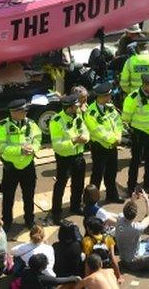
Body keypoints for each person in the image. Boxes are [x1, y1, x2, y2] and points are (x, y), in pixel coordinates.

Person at [0, 98, 41, 229]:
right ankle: (7, 221)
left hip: (28, 166)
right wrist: (20, 150)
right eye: (23, 111)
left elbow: (37, 138)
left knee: (29, 196)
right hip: (11, 168)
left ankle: (29, 220)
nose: (26, 113)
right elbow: (2, 148)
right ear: (14, 112)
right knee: (8, 197)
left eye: (26, 110)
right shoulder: (3, 127)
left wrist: (34, 148)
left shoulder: (31, 124)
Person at [49, 94, 89, 222]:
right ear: (70, 108)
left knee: (78, 183)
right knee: (61, 184)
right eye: (76, 106)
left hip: (78, 156)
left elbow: (85, 131)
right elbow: (57, 146)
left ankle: (75, 206)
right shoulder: (56, 121)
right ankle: (56, 212)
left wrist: (85, 138)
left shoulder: (78, 116)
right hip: (64, 158)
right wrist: (74, 141)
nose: (78, 108)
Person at [115, 188, 149, 270]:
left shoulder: (120, 217)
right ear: (135, 215)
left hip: (125, 255)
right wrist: (147, 199)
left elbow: (128, 209)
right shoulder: (137, 228)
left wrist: (132, 199)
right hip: (133, 262)